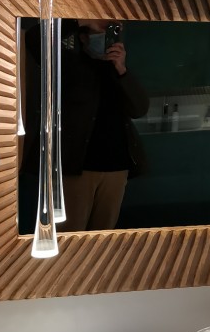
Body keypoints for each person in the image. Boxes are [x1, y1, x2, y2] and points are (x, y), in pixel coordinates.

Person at [20, 19, 148, 232]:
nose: (104, 39)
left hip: (116, 167)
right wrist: (82, 21)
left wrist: (122, 70)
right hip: (78, 167)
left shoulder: (116, 71)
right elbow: (35, 39)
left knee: (103, 237)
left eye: (109, 33)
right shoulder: (68, 64)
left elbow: (139, 109)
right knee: (71, 235)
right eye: (99, 34)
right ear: (82, 38)